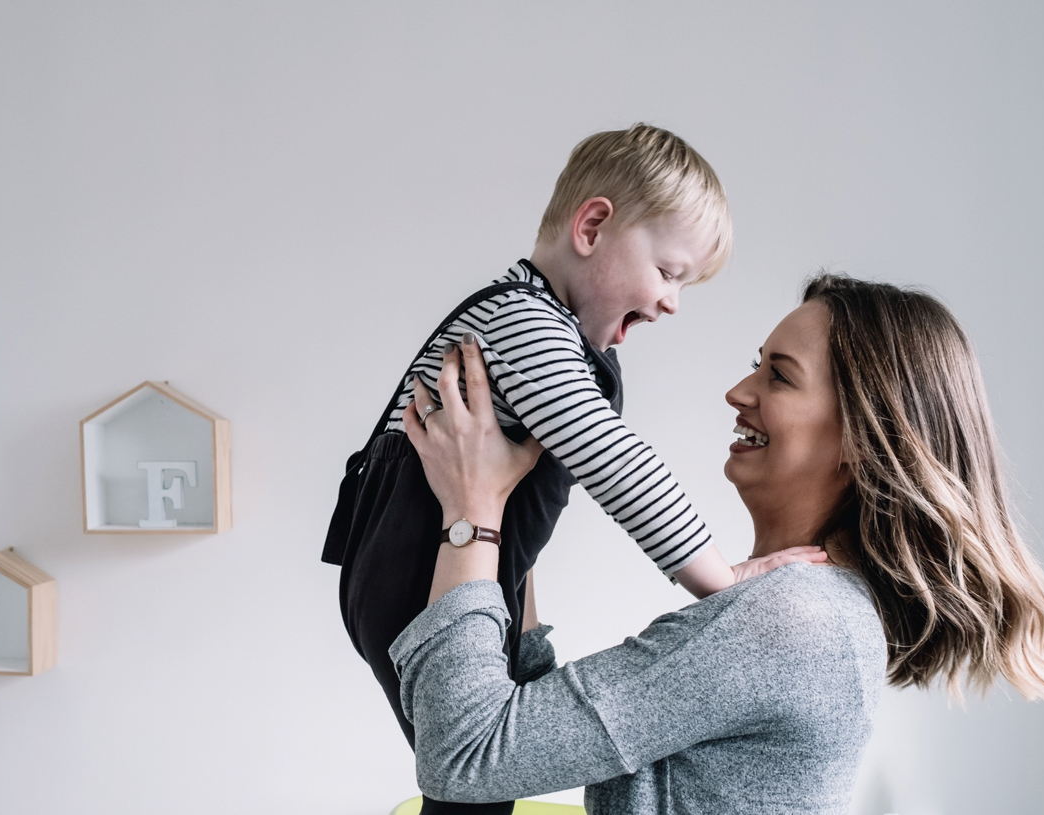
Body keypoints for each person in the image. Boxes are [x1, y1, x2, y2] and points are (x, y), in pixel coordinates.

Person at [389, 274, 1044, 813]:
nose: (738, 391)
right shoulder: (813, 609)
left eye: (779, 375)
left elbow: (466, 753)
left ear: (862, 436)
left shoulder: (792, 621)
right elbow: (532, 738)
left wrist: (471, 513)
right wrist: (503, 511)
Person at [323, 124, 785, 814]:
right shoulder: (527, 324)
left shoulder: (552, 331)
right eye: (667, 272)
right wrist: (722, 579)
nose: (671, 303)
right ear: (593, 225)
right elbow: (616, 461)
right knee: (473, 773)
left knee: (487, 771)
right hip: (410, 569)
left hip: (462, 572)